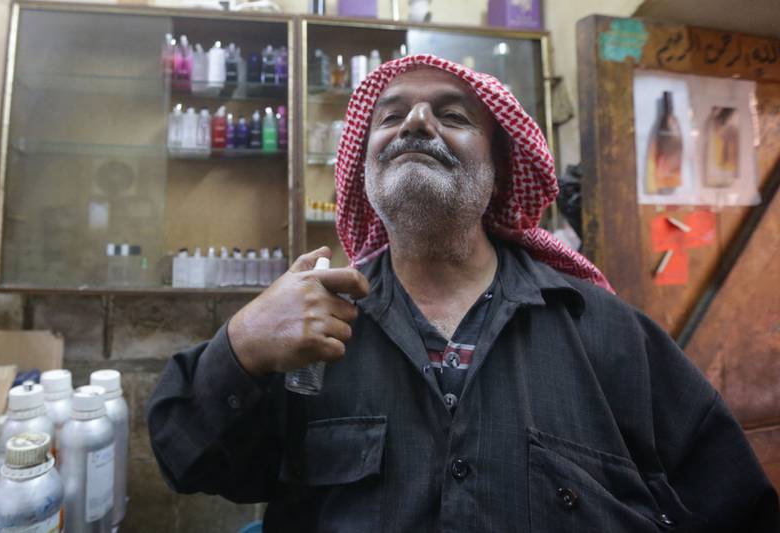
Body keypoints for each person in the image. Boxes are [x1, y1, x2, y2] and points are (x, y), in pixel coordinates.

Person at [148, 55, 778, 532]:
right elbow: (189, 463)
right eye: (391, 116)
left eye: (452, 116)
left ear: (498, 169)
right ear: (363, 167)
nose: (416, 122)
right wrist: (242, 347)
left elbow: (738, 509)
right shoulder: (303, 336)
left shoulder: (605, 333)